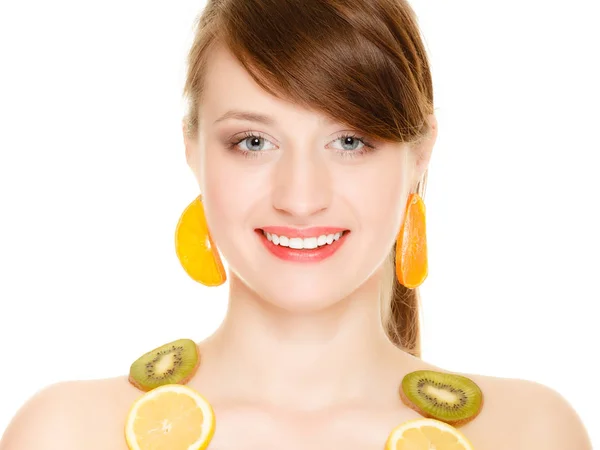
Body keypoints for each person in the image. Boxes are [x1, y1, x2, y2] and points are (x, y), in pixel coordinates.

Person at [0, 0, 592, 449]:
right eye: (254, 141)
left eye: (351, 140)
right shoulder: (64, 434)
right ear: (193, 149)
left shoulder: (530, 433)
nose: (301, 198)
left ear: (420, 154)